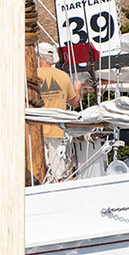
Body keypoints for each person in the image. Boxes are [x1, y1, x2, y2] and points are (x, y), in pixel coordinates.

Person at [35, 42, 78, 180]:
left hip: (36, 131)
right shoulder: (63, 76)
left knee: (39, 172)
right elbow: (74, 102)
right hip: (58, 130)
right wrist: (77, 89)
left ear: (39, 57)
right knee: (59, 173)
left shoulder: (31, 76)